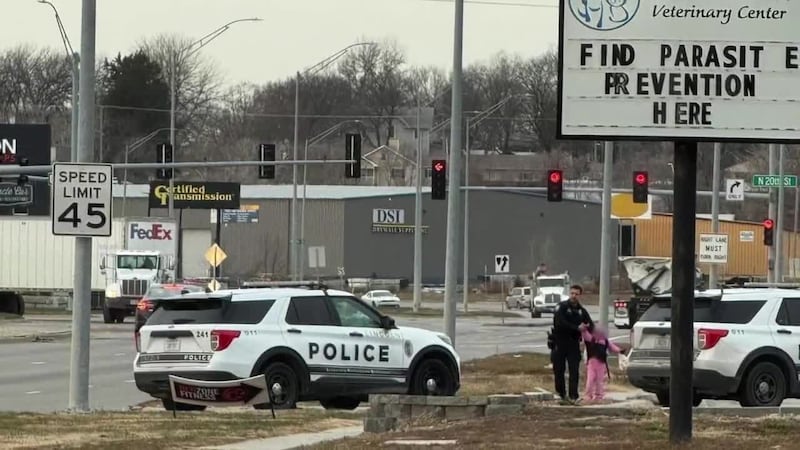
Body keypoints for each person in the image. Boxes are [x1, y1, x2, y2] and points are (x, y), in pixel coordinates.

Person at [550, 284, 592, 405]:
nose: (574, 296)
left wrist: (589, 330)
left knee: (574, 370)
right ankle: (561, 394)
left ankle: (574, 395)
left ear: (580, 295)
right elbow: (560, 322)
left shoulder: (581, 310)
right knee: (559, 370)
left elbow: (588, 323)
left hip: (573, 343)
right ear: (569, 294)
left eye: (576, 294)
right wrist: (576, 327)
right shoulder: (561, 307)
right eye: (572, 293)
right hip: (559, 341)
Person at [581, 321, 623, 402]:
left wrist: (620, 350)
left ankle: (599, 396)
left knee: (599, 381)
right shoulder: (591, 339)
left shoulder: (606, 341)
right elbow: (584, 334)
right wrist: (584, 328)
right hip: (591, 363)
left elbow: (612, 347)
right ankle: (588, 395)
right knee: (590, 380)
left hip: (601, 363)